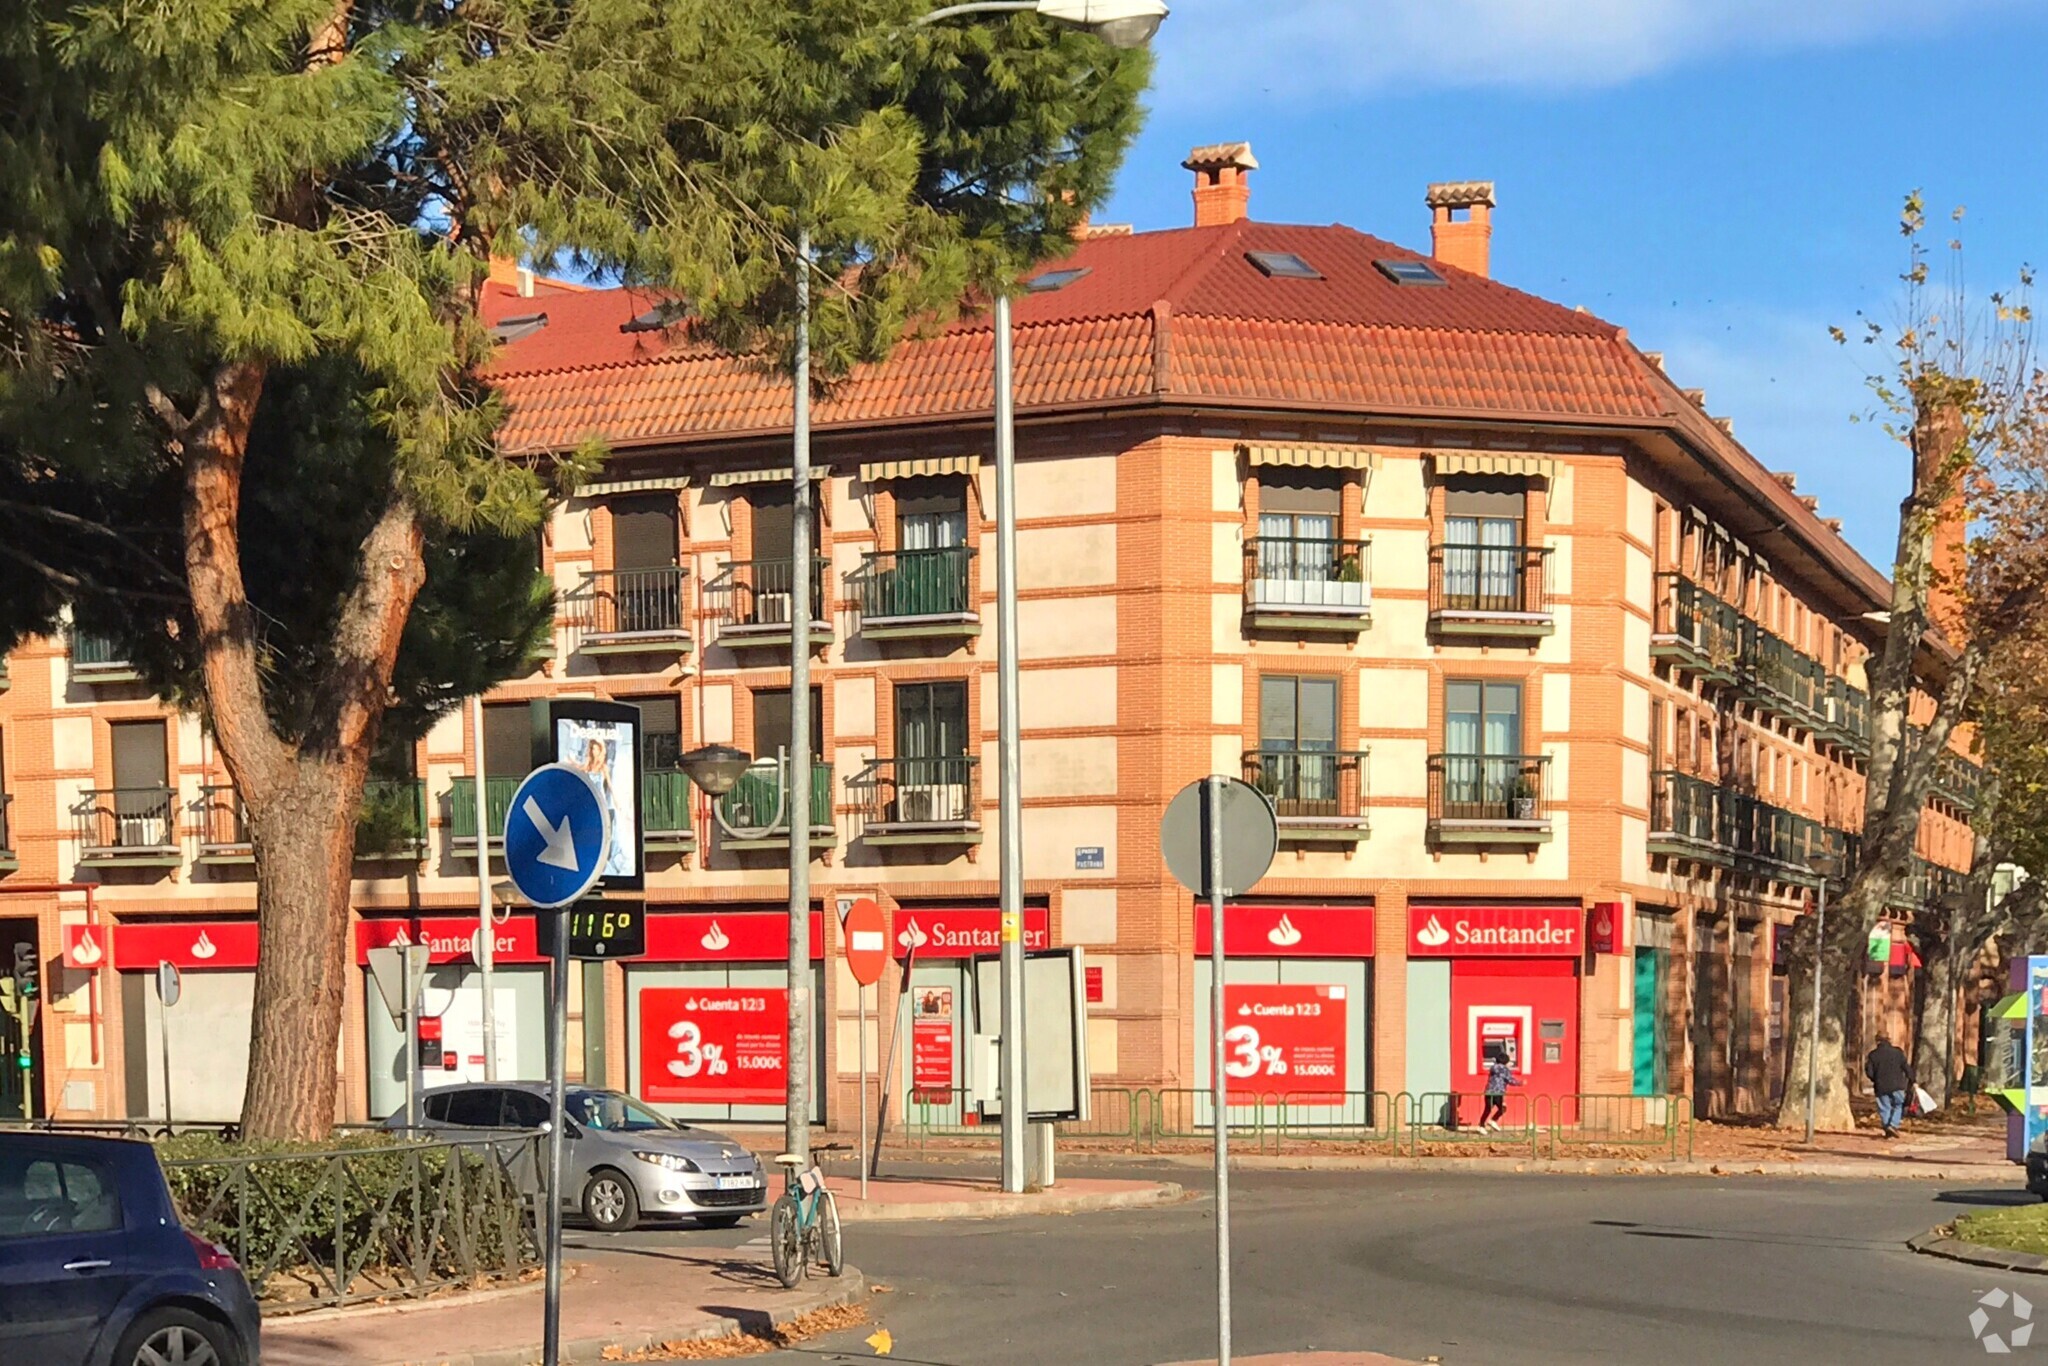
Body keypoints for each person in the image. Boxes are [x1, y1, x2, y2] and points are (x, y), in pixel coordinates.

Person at [1865, 1033, 1913, 1139]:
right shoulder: (1898, 1052)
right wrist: (1912, 1079)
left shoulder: (1873, 1055)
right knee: (1898, 1105)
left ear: (1877, 1041)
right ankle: (1893, 1125)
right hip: (1897, 1085)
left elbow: (1869, 1072)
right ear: (1889, 1040)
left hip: (1881, 1086)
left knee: (1884, 1107)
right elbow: (1906, 1067)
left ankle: (1888, 1128)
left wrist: (1875, 1079)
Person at [1480, 1047, 1521, 1132]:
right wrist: (1520, 1083)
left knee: (1487, 1109)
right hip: (1498, 1092)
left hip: (1489, 1091)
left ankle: (1481, 1126)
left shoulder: (1493, 1067)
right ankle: (1493, 1120)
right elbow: (1509, 1080)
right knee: (1502, 1108)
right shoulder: (1504, 1069)